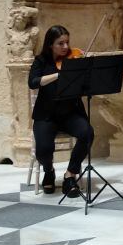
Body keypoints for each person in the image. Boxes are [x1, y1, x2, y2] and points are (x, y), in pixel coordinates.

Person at [28, 25, 95, 197]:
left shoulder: (74, 60)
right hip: (46, 114)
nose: (66, 47)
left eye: (67, 42)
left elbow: (85, 86)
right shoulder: (41, 61)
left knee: (87, 134)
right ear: (50, 44)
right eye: (60, 43)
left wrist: (86, 71)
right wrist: (59, 74)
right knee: (43, 149)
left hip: (71, 113)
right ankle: (49, 170)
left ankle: (70, 174)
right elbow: (33, 82)